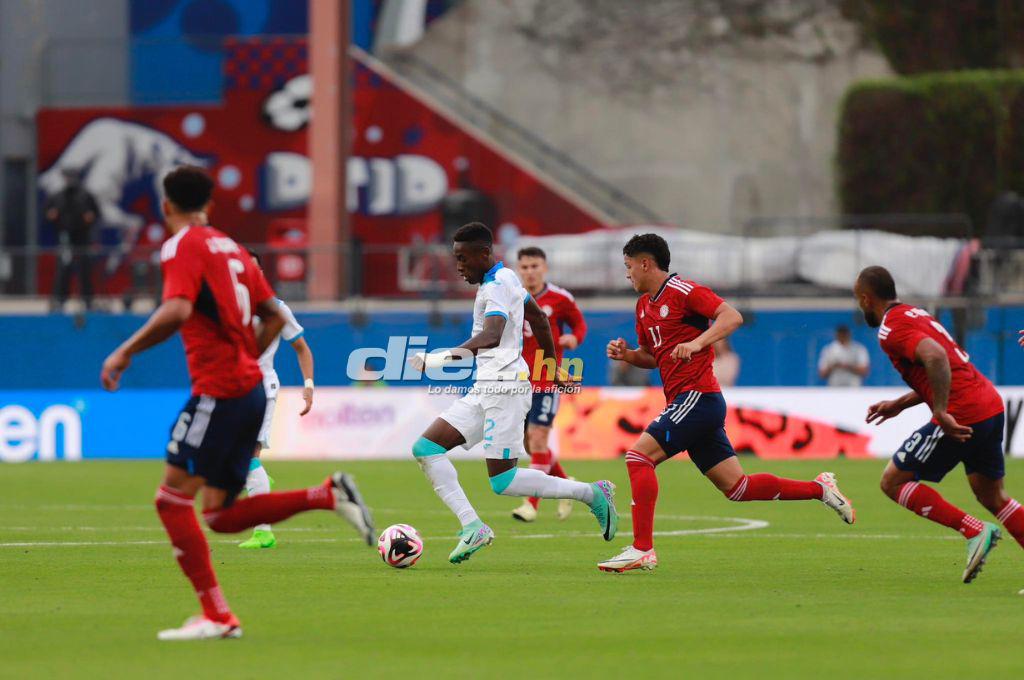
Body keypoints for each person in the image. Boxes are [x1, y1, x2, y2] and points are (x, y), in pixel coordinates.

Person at [100, 166, 373, 641]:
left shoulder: (181, 245)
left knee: (171, 501)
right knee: (219, 515)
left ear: (166, 206)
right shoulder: (233, 249)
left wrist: (125, 351)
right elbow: (274, 315)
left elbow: (177, 308)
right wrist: (248, 353)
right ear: (209, 204)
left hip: (220, 390)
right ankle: (327, 495)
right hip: (248, 390)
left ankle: (218, 616)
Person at [599, 233, 854, 573]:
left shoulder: (684, 291)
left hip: (697, 396)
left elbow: (731, 316)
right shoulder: (643, 306)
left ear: (645, 263)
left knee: (638, 457)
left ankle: (642, 549)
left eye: (629, 266)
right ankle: (819, 489)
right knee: (738, 488)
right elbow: (652, 356)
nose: (627, 273)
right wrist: (629, 355)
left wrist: (698, 342)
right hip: (690, 402)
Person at [405, 222, 617, 565]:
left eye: (463, 258)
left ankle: (592, 493)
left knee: (503, 481)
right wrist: (551, 366)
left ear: (484, 254)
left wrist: (439, 359)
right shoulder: (506, 279)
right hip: (486, 387)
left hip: (506, 389)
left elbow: (492, 335)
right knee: (426, 448)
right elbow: (540, 320)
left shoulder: (497, 287)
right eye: (456, 258)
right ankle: (473, 526)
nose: (458, 266)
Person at [855, 266, 1020, 585]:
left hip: (962, 412)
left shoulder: (891, 328)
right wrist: (900, 404)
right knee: (993, 496)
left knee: (893, 481)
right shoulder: (916, 313)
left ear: (865, 298)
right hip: (988, 404)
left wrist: (941, 411)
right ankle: (978, 529)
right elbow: (944, 365)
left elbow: (936, 358)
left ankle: (974, 530)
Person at [238, 253, 320, 550]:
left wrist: (308, 386)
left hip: (261, 388)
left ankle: (264, 533)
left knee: (249, 457)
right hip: (231, 388)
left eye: (254, 268)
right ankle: (260, 481)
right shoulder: (229, 304)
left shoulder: (276, 308)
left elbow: (302, 348)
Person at [511, 246, 588, 523]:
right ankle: (567, 488)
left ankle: (530, 504)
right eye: (525, 267)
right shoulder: (511, 297)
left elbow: (579, 325)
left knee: (538, 438)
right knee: (531, 445)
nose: (530, 272)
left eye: (535, 266)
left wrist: (574, 339)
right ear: (518, 269)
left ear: (544, 268)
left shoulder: (560, 298)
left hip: (547, 378)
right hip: (519, 381)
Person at [44, 167, 100, 311]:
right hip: (65, 237)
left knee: (84, 269)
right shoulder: (58, 196)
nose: (69, 180)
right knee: (63, 269)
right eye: (67, 177)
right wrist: (52, 215)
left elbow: (96, 213)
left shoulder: (85, 196)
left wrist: (90, 217)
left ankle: (87, 300)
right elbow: (48, 213)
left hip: (82, 238)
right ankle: (60, 300)